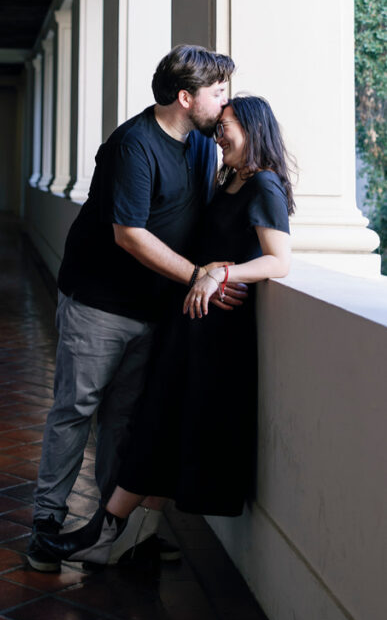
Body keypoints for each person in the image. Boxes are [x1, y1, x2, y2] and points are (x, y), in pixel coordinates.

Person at [37, 95, 294, 567]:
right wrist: (203, 275)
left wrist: (219, 275)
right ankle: (123, 539)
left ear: (256, 129)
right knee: (158, 428)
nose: (219, 132)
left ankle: (109, 535)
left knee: (158, 428)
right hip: (189, 325)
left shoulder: (265, 186)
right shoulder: (229, 178)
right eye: (219, 121)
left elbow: (280, 261)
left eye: (229, 123)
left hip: (217, 337)